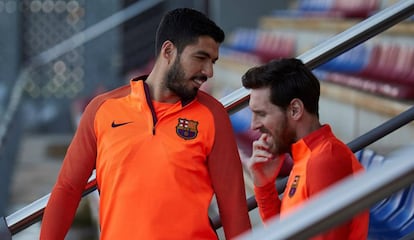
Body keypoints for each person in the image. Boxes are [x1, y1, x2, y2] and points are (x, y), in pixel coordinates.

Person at [40, 8, 251, 240]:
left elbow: (234, 209)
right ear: (168, 51)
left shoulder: (213, 115)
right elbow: (67, 190)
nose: (209, 72)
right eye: (201, 58)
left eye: (213, 61)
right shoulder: (102, 110)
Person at [241, 58, 369, 239]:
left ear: (295, 110)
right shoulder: (306, 155)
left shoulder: (325, 161)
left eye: (261, 114)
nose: (253, 125)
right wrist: (264, 185)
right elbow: (285, 230)